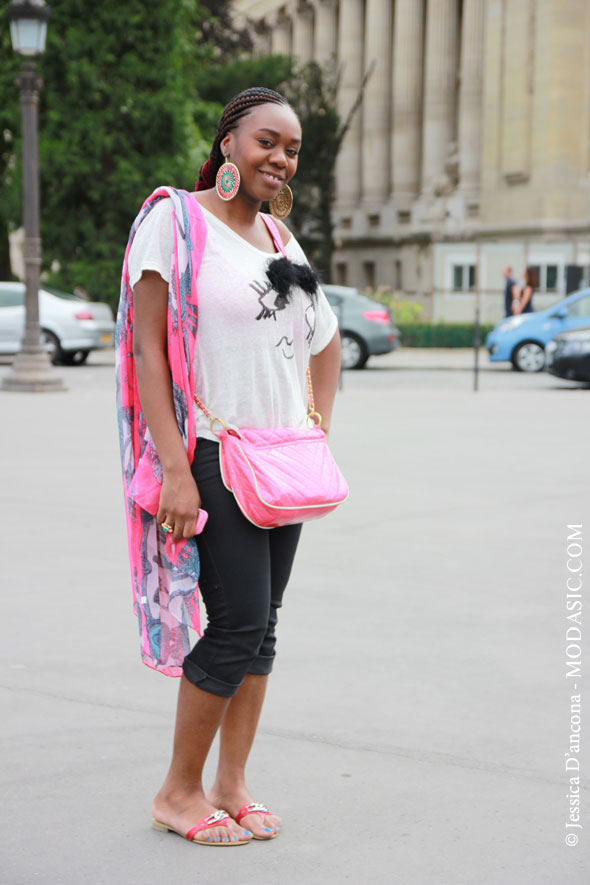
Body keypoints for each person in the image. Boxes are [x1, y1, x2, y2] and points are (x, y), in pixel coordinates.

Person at [116, 87, 341, 847]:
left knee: (263, 628)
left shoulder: (282, 238)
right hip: (215, 453)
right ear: (228, 143)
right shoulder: (175, 222)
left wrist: (318, 431)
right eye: (266, 141)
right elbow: (149, 348)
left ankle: (232, 783)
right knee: (238, 621)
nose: (280, 158)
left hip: (282, 463)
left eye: (292, 149)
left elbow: (325, 340)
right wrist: (176, 468)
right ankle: (178, 791)